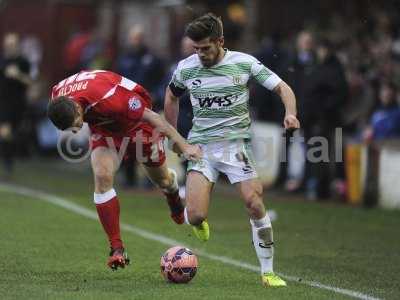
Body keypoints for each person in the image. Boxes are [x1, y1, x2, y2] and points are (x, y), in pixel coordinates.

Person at [164, 13, 300, 287]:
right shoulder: (186, 68)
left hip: (236, 147)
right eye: (196, 48)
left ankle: (268, 271)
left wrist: (291, 113)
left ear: (220, 41)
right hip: (201, 148)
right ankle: (197, 220)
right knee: (196, 215)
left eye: (205, 48)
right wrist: (176, 137)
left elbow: (283, 88)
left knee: (254, 202)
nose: (200, 54)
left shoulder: (244, 63)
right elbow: (171, 96)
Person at [47, 70, 201, 270]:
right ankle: (117, 248)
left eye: (76, 124)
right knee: (102, 176)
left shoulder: (110, 98)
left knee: (162, 180)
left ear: (77, 107)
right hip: (104, 127)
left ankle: (172, 195)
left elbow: (153, 117)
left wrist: (183, 144)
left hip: (137, 125)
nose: (76, 130)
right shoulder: (56, 97)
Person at [0, 33, 32, 176]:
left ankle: (10, 159)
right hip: (3, 102)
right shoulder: (2, 61)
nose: (9, 47)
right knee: (5, 132)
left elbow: (30, 82)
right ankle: (7, 164)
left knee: (13, 134)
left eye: (12, 45)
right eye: (7, 45)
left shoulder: (23, 62)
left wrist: (18, 74)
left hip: (18, 104)